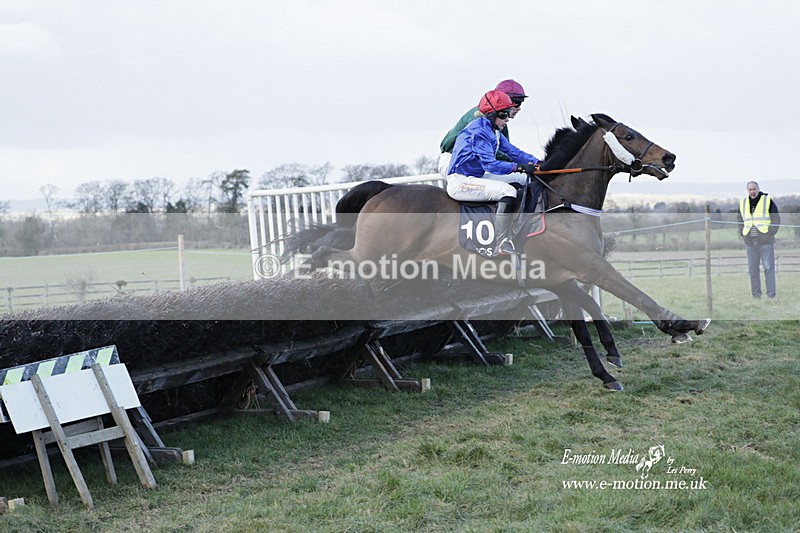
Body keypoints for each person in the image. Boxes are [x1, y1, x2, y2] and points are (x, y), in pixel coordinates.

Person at [446, 90, 541, 256]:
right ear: (492, 114)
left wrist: (539, 163)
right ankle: (502, 241)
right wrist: (518, 167)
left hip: (477, 176)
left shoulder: (493, 129)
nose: (508, 119)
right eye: (504, 115)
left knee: (525, 178)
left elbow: (513, 152)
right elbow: (490, 165)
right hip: (460, 181)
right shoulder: (479, 131)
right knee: (508, 190)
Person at [438, 79, 528, 178]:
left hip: (474, 163)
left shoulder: (497, 121)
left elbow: (508, 150)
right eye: (517, 103)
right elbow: (494, 153)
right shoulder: (482, 119)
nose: (519, 108)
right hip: (455, 163)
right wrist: (520, 166)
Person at [737, 180, 781, 299]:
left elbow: (776, 219)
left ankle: (771, 296)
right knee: (753, 270)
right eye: (750, 189)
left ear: (758, 189)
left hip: (765, 242)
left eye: (754, 189)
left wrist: (769, 234)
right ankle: (756, 296)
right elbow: (739, 221)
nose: (752, 191)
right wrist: (742, 233)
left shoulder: (767, 200)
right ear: (747, 190)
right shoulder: (743, 202)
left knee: (768, 268)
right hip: (750, 242)